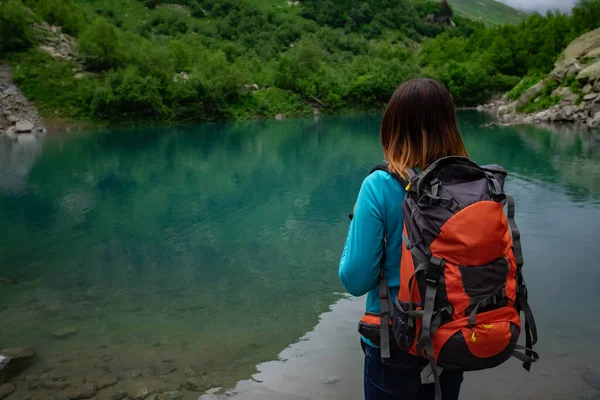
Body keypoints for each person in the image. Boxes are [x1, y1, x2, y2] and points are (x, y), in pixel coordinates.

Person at [339, 78, 468, 400]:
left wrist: (354, 226)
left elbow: (355, 280)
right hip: (454, 336)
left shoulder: (380, 184)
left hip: (394, 342)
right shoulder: (472, 182)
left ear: (393, 126)